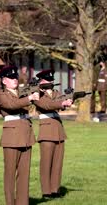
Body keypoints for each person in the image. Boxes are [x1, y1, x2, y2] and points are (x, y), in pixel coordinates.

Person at [0, 66, 39, 205]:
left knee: (24, 173)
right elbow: (12, 105)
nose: (15, 80)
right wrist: (29, 98)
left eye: (16, 77)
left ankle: (22, 202)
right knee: (10, 173)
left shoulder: (22, 92)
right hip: (12, 137)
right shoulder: (2, 95)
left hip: (26, 135)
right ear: (4, 81)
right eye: (11, 78)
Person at [33, 69, 73, 199]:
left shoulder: (55, 92)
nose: (50, 82)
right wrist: (62, 103)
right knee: (46, 162)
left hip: (58, 129)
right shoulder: (36, 93)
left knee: (57, 162)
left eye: (51, 80)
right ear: (41, 81)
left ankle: (55, 189)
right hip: (46, 130)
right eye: (48, 80)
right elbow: (47, 105)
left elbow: (60, 102)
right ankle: (46, 191)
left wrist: (69, 99)